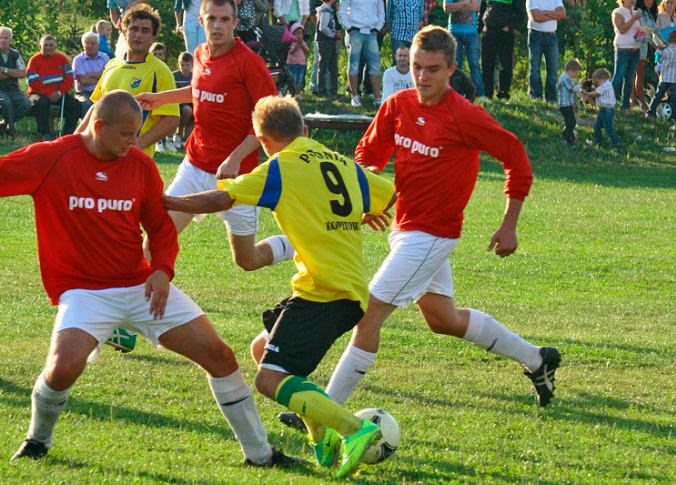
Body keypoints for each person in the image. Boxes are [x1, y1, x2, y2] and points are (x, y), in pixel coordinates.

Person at [275, 28, 560, 437]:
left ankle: (324, 410)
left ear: (450, 69)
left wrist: (509, 223)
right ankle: (538, 359)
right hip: (405, 229)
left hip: (433, 235)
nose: (422, 77)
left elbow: (516, 156)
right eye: (415, 68)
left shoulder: (465, 116)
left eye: (432, 69)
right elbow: (367, 157)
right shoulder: (397, 105)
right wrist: (367, 196)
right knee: (442, 318)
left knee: (366, 315)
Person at [3, 90, 300, 468]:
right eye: (127, 134)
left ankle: (260, 455)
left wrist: (161, 270)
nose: (135, 141)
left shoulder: (140, 166)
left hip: (140, 286)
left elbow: (160, 228)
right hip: (84, 292)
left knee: (221, 357)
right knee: (62, 369)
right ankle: (37, 441)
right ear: (98, 126)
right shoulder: (51, 157)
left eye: (137, 133)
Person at [164, 94, 396, 478]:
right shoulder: (340, 162)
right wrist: (368, 211)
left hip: (328, 293)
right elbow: (388, 192)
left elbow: (221, 196)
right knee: (261, 349)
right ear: (303, 129)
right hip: (333, 287)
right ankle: (319, 430)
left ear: (264, 141)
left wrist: (165, 200)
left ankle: (355, 429)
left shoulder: (280, 167)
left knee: (269, 379)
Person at [136, 0, 294, 279]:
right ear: (201, 21)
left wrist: (235, 158)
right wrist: (158, 99)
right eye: (212, 19)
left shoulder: (249, 63)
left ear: (235, 24)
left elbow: (270, 121)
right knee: (156, 239)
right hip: (194, 166)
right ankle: (140, 308)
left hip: (236, 177)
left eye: (224, 20)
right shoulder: (199, 54)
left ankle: (290, 246)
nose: (217, 26)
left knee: (247, 259)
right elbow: (199, 92)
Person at [81, 4, 180, 158]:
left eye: (145, 31)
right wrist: (76, 138)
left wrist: (137, 145)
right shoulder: (112, 64)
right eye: (134, 29)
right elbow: (96, 108)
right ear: (125, 32)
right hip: (99, 154)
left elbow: (172, 119)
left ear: (153, 37)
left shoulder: (160, 71)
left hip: (133, 160)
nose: (138, 35)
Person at [26, 35, 83, 141]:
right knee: (42, 103)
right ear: (40, 46)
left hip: (58, 93)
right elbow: (33, 81)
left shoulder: (62, 59)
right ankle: (45, 134)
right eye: (45, 45)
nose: (48, 47)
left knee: (75, 105)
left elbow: (69, 77)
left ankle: (67, 135)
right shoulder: (34, 60)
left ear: (55, 46)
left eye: (51, 45)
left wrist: (59, 92)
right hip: (38, 93)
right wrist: (48, 93)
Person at [339, 0, 385, 106]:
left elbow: (381, 12)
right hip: (355, 32)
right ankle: (354, 96)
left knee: (375, 66)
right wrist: (349, 28)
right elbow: (342, 11)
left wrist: (377, 28)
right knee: (354, 65)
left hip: (371, 33)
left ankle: (378, 98)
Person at [478, 0, 525, 100]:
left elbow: (520, 14)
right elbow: (482, 9)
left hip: (505, 34)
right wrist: (479, 29)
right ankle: (487, 94)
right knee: (486, 64)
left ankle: (503, 94)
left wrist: (509, 26)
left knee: (506, 65)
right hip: (488, 31)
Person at [526, 0, 565, 102]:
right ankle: (535, 96)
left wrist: (544, 12)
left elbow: (562, 14)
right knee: (534, 68)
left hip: (552, 35)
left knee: (553, 69)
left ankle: (551, 98)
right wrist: (553, 15)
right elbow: (537, 17)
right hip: (535, 35)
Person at [445, 0, 484, 98]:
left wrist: (456, 6)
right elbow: (446, 8)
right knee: (455, 66)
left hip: (471, 33)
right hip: (454, 32)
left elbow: (475, 7)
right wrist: (464, 3)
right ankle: (456, 94)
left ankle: (479, 94)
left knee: (474, 64)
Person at [646, 29, 676, 120]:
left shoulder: (665, 50)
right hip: (675, 79)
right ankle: (674, 117)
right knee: (674, 99)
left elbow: (659, 60)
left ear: (669, 39)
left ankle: (650, 112)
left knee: (658, 95)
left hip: (664, 78)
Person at [0, 26, 31, 139]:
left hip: (13, 89)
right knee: (6, 102)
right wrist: (13, 73)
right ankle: (12, 131)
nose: (3, 40)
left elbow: (23, 73)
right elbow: (17, 73)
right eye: (1, 37)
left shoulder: (15, 54)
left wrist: (5, 70)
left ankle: (4, 124)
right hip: (1, 90)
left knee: (26, 104)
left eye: (6, 37)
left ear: (11, 39)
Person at [611, 0, 642, 114]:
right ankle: (608, 104)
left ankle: (625, 106)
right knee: (618, 78)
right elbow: (622, 29)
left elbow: (636, 31)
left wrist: (643, 34)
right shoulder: (617, 12)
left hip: (635, 50)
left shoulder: (635, 13)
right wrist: (634, 18)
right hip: (623, 50)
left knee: (629, 80)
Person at [72, 32, 110, 117]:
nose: (90, 45)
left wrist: (89, 75)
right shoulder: (78, 60)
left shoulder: (105, 57)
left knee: (111, 104)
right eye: (87, 43)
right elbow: (83, 81)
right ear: (83, 45)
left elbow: (107, 77)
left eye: (93, 43)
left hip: (102, 92)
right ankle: (88, 129)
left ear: (98, 45)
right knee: (87, 105)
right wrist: (100, 77)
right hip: (84, 93)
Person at [631, 0, 659, 112]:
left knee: (640, 74)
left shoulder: (649, 13)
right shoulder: (638, 11)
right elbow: (640, 31)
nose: (649, 1)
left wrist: (663, 42)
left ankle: (638, 100)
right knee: (633, 74)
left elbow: (655, 30)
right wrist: (653, 43)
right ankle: (635, 100)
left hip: (644, 45)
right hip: (635, 44)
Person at [582, 68, 619, 148]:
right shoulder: (603, 85)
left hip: (607, 110)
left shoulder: (606, 84)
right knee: (597, 126)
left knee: (608, 128)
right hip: (603, 110)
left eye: (597, 82)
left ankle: (615, 143)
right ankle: (599, 141)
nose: (597, 84)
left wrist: (586, 93)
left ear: (602, 78)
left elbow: (596, 94)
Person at [315, 0, 340, 97]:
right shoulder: (325, 10)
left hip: (329, 41)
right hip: (325, 41)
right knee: (324, 66)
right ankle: (322, 89)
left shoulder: (328, 9)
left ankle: (332, 89)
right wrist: (333, 34)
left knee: (332, 66)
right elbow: (323, 27)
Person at [171, 51, 194, 149]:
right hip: (178, 103)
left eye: (187, 65)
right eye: (182, 65)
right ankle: (179, 133)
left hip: (192, 102)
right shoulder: (174, 76)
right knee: (187, 110)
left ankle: (187, 138)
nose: (184, 67)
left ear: (192, 65)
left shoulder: (195, 76)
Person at [557, 58, 582, 147]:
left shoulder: (569, 78)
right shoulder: (565, 78)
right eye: (576, 73)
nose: (576, 75)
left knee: (571, 122)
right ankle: (568, 138)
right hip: (564, 105)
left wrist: (574, 104)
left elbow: (571, 94)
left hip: (568, 105)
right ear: (571, 70)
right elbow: (573, 89)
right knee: (571, 122)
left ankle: (569, 136)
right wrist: (581, 84)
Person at [285, 22, 308, 99]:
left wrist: (302, 45)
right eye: (297, 33)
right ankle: (293, 93)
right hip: (292, 63)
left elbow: (306, 51)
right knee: (293, 79)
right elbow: (291, 52)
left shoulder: (303, 42)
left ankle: (298, 93)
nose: (299, 35)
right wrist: (298, 45)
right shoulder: (292, 42)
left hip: (301, 64)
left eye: (301, 33)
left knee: (300, 79)